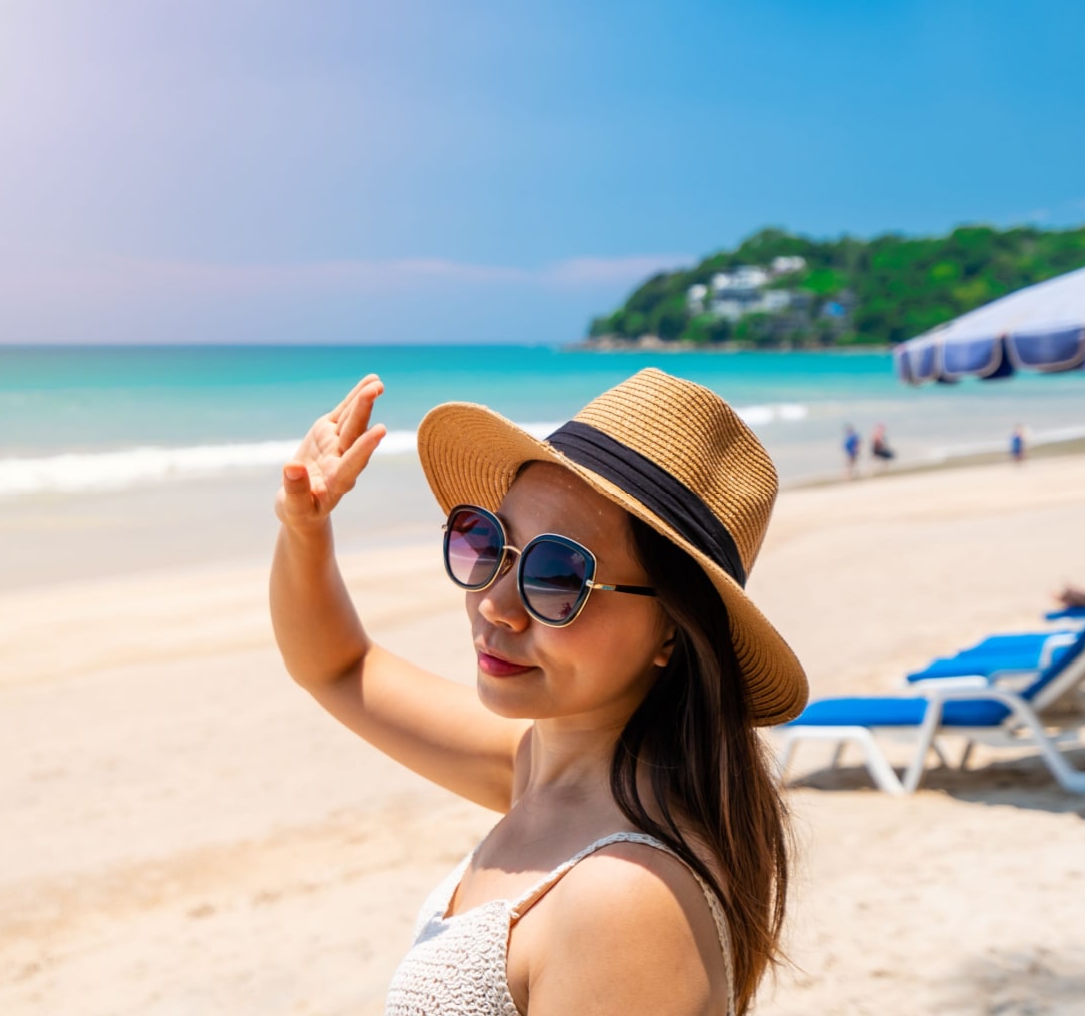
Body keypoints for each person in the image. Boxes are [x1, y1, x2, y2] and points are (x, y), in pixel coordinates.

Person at [271, 368, 808, 1016]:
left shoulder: (625, 900)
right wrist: (304, 528)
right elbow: (339, 669)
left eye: (558, 576)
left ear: (671, 629)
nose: (496, 604)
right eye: (488, 543)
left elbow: (339, 672)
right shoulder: (544, 772)